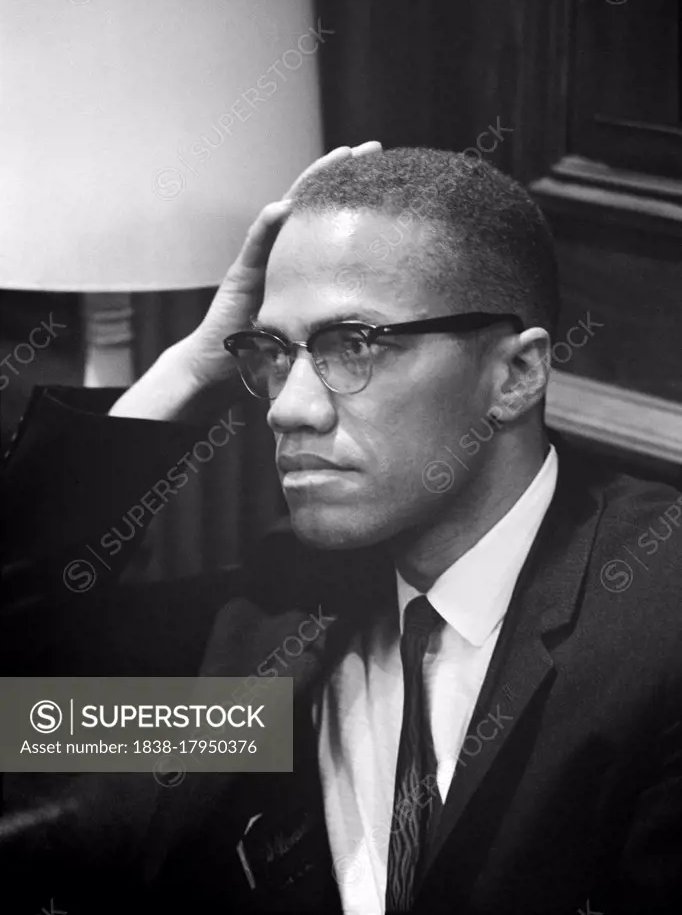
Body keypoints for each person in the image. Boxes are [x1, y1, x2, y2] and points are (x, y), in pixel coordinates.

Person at [1, 144, 681, 915]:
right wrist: (188, 370)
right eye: (272, 354)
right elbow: (24, 712)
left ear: (515, 375)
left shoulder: (660, 614)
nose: (287, 408)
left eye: (353, 345)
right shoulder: (274, 617)